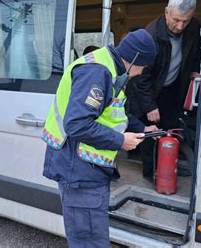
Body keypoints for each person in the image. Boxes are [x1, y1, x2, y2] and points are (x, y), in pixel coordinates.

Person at [42, 29, 158, 247]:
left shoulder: (111, 69)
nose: (142, 72)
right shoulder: (97, 73)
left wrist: (144, 128)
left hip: (87, 170)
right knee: (89, 242)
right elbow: (76, 124)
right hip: (78, 171)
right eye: (143, 67)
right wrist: (121, 141)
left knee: (91, 238)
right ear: (135, 59)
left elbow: (114, 112)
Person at [126, 0, 201, 180]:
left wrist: (195, 70)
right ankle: (151, 172)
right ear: (167, 11)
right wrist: (150, 105)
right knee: (150, 133)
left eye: (185, 20)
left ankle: (169, 165)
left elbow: (195, 51)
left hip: (172, 87)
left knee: (170, 127)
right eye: (176, 19)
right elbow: (141, 75)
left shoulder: (193, 27)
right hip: (147, 90)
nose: (180, 26)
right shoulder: (151, 35)